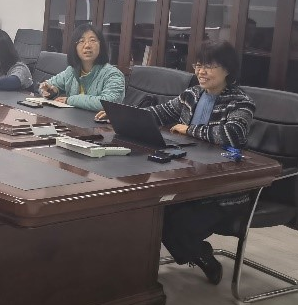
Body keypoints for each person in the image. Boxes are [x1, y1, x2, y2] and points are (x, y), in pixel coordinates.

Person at [96, 40, 256, 285]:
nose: (201, 72)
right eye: (198, 65)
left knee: (173, 223)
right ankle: (159, 266)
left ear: (228, 69)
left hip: (223, 188)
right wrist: (121, 113)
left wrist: (190, 130)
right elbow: (159, 113)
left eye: (209, 66)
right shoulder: (192, 94)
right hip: (188, 178)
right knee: (149, 212)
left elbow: (233, 133)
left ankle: (201, 256)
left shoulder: (240, 102)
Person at [38, 24, 125, 111]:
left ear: (100, 45)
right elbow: (49, 85)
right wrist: (49, 91)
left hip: (96, 119)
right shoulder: (72, 71)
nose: (87, 46)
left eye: (92, 40)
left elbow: (108, 103)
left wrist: (70, 100)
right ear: (74, 47)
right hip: (73, 118)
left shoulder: (113, 74)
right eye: (81, 41)